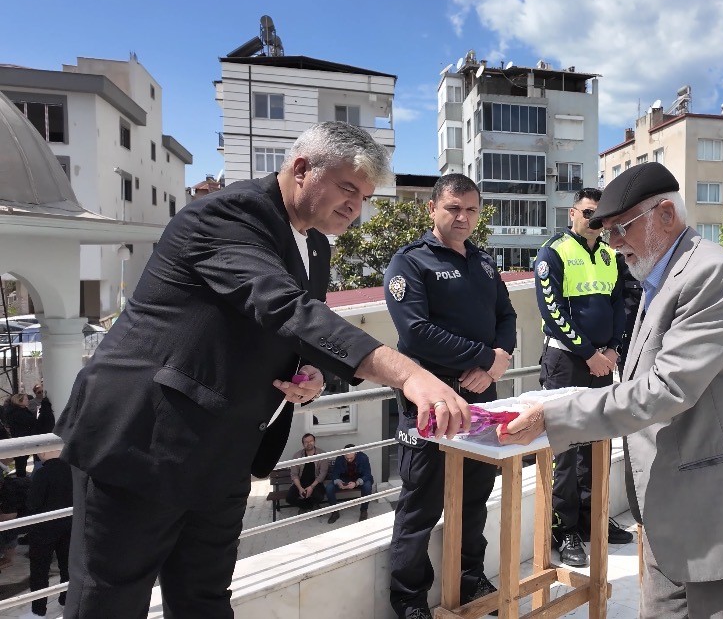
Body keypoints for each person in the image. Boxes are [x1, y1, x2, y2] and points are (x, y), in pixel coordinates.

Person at [54, 122, 471, 619]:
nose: (355, 207)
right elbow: (285, 308)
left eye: (362, 197)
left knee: (205, 603)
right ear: (301, 169)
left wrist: (311, 371)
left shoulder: (314, 244)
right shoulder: (227, 215)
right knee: (109, 602)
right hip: (142, 440)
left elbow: (292, 334)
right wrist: (409, 374)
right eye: (347, 188)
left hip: (225, 452)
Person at [499, 162, 723, 618]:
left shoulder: (714, 276)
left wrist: (556, 415)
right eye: (605, 231)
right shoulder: (658, 275)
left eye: (622, 228)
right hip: (677, 513)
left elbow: (665, 388)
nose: (613, 242)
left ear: (666, 214)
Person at [384, 173, 517, 619]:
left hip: (481, 400)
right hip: (431, 401)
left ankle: (469, 576)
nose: (463, 217)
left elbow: (507, 313)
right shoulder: (411, 263)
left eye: (471, 210)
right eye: (453, 208)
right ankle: (409, 600)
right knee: (421, 503)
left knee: (475, 494)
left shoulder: (482, 261)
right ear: (433, 210)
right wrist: (484, 357)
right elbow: (416, 333)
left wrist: (500, 358)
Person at [534, 187, 630, 568]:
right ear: (573, 212)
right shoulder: (554, 251)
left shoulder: (610, 255)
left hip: (602, 364)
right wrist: (589, 353)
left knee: (597, 446)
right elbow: (552, 310)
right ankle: (565, 529)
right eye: (588, 212)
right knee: (566, 451)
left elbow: (620, 306)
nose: (594, 220)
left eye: (600, 214)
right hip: (566, 363)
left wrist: (613, 350)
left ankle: (593, 520)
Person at [25, 448, 71, 617]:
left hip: (44, 529)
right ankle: (67, 600)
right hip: (69, 525)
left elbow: (33, 503)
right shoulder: (74, 469)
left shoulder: (42, 473)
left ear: (43, 452)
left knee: (39, 570)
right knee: (67, 566)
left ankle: (38, 610)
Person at [3, 383, 54, 476]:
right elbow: (31, 423)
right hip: (23, 440)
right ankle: (22, 479)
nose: (28, 400)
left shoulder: (19, 411)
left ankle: (22, 477)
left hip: (24, 439)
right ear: (20, 401)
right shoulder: (18, 413)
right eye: (26, 399)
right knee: (22, 462)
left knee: (22, 461)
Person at [324, 444, 374, 523]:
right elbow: (335, 474)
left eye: (351, 458)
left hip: (358, 479)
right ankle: (335, 512)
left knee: (367, 486)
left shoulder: (363, 458)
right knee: (329, 488)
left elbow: (367, 474)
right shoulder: (340, 459)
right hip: (345, 479)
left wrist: (356, 483)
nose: (349, 460)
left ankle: (364, 510)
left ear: (356, 453)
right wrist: (339, 482)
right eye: (347, 458)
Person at [286, 433, 328, 513]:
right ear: (303, 444)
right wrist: (299, 488)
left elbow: (322, 474)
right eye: (306, 442)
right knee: (289, 498)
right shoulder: (297, 456)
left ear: (314, 441)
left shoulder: (322, 454)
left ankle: (307, 506)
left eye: (311, 441)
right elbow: (294, 474)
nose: (309, 443)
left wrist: (311, 487)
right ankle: (308, 506)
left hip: (315, 483)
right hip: (301, 482)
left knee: (319, 496)